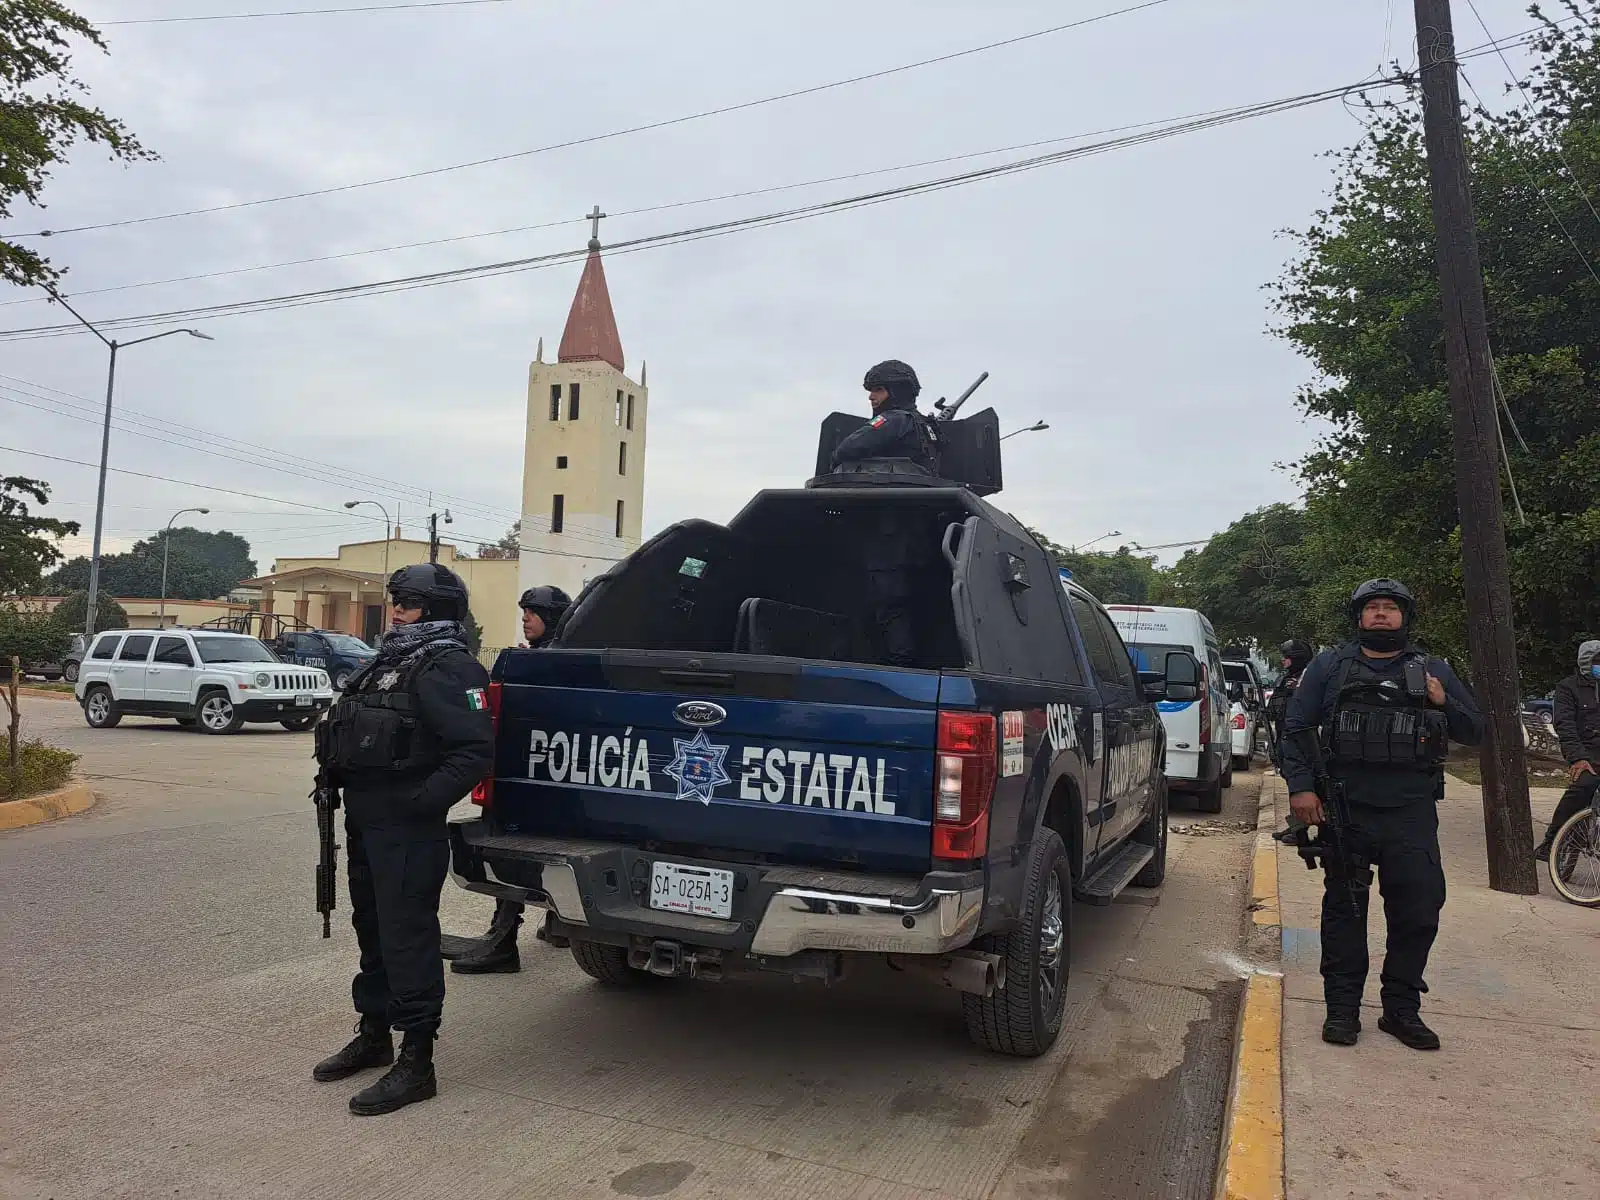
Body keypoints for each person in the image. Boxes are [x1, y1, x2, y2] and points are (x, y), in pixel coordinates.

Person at [311, 563, 493, 1115]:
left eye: (408, 602)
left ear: (435, 610)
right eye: (395, 600)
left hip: (408, 827)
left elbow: (474, 752)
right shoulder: (389, 662)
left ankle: (417, 1060)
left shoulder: (451, 668)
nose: (396, 610)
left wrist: (420, 802)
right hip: (365, 821)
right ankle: (374, 1032)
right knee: (371, 927)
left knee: (407, 935)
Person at [1281, 578, 1482, 1052]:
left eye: (1390, 608)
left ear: (1404, 617)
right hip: (1345, 809)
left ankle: (1400, 1010)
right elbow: (1295, 728)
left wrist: (1441, 701)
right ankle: (1343, 1010)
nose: (1380, 615)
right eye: (1372, 608)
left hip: (1409, 813)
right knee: (1345, 912)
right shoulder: (1329, 666)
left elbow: (1477, 731)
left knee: (1418, 910)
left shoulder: (1431, 668)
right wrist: (1302, 789)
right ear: (1358, 617)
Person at [445, 585, 573, 974]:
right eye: (524, 611)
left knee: (515, 850)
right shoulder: (554, 659)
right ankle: (559, 923)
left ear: (552, 618)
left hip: (531, 772)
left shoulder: (548, 662)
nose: (526, 617)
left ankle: (503, 940)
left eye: (534, 612)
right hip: (549, 774)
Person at [830, 360, 938, 666]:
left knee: (886, 598)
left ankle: (897, 661)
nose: (871, 398)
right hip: (913, 528)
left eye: (877, 390)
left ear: (895, 391)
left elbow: (845, 450)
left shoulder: (893, 421)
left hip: (888, 529)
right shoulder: (926, 427)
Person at [1537, 638, 1600, 862]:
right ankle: (1551, 840)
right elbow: (1565, 725)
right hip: (1586, 753)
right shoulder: (1568, 688)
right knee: (1584, 786)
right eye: (1597, 660)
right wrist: (1578, 758)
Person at [1265, 639, 1314, 770]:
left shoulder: (1309, 679)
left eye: (1287, 657)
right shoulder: (1284, 680)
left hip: (1299, 735)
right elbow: (1273, 708)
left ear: (1297, 658)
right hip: (1283, 733)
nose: (1283, 660)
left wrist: (1297, 690)